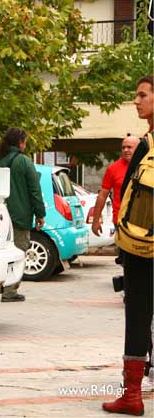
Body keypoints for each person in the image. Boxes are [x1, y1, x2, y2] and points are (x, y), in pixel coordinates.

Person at [102, 74, 154, 416]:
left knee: (137, 315)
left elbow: (128, 197)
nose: (136, 101)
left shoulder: (147, 145)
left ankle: (132, 395)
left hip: (140, 244)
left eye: (142, 95)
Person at [0, 128, 46, 302]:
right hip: (18, 216)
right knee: (18, 252)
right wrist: (40, 214)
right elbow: (35, 191)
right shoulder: (24, 161)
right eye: (25, 142)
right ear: (20, 143)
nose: (25, 145)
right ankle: (9, 291)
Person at [91, 136, 140, 237]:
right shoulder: (113, 168)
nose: (125, 150)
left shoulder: (146, 167)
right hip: (120, 220)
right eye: (123, 147)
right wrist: (95, 221)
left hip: (143, 221)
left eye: (129, 147)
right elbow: (102, 195)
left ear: (138, 149)